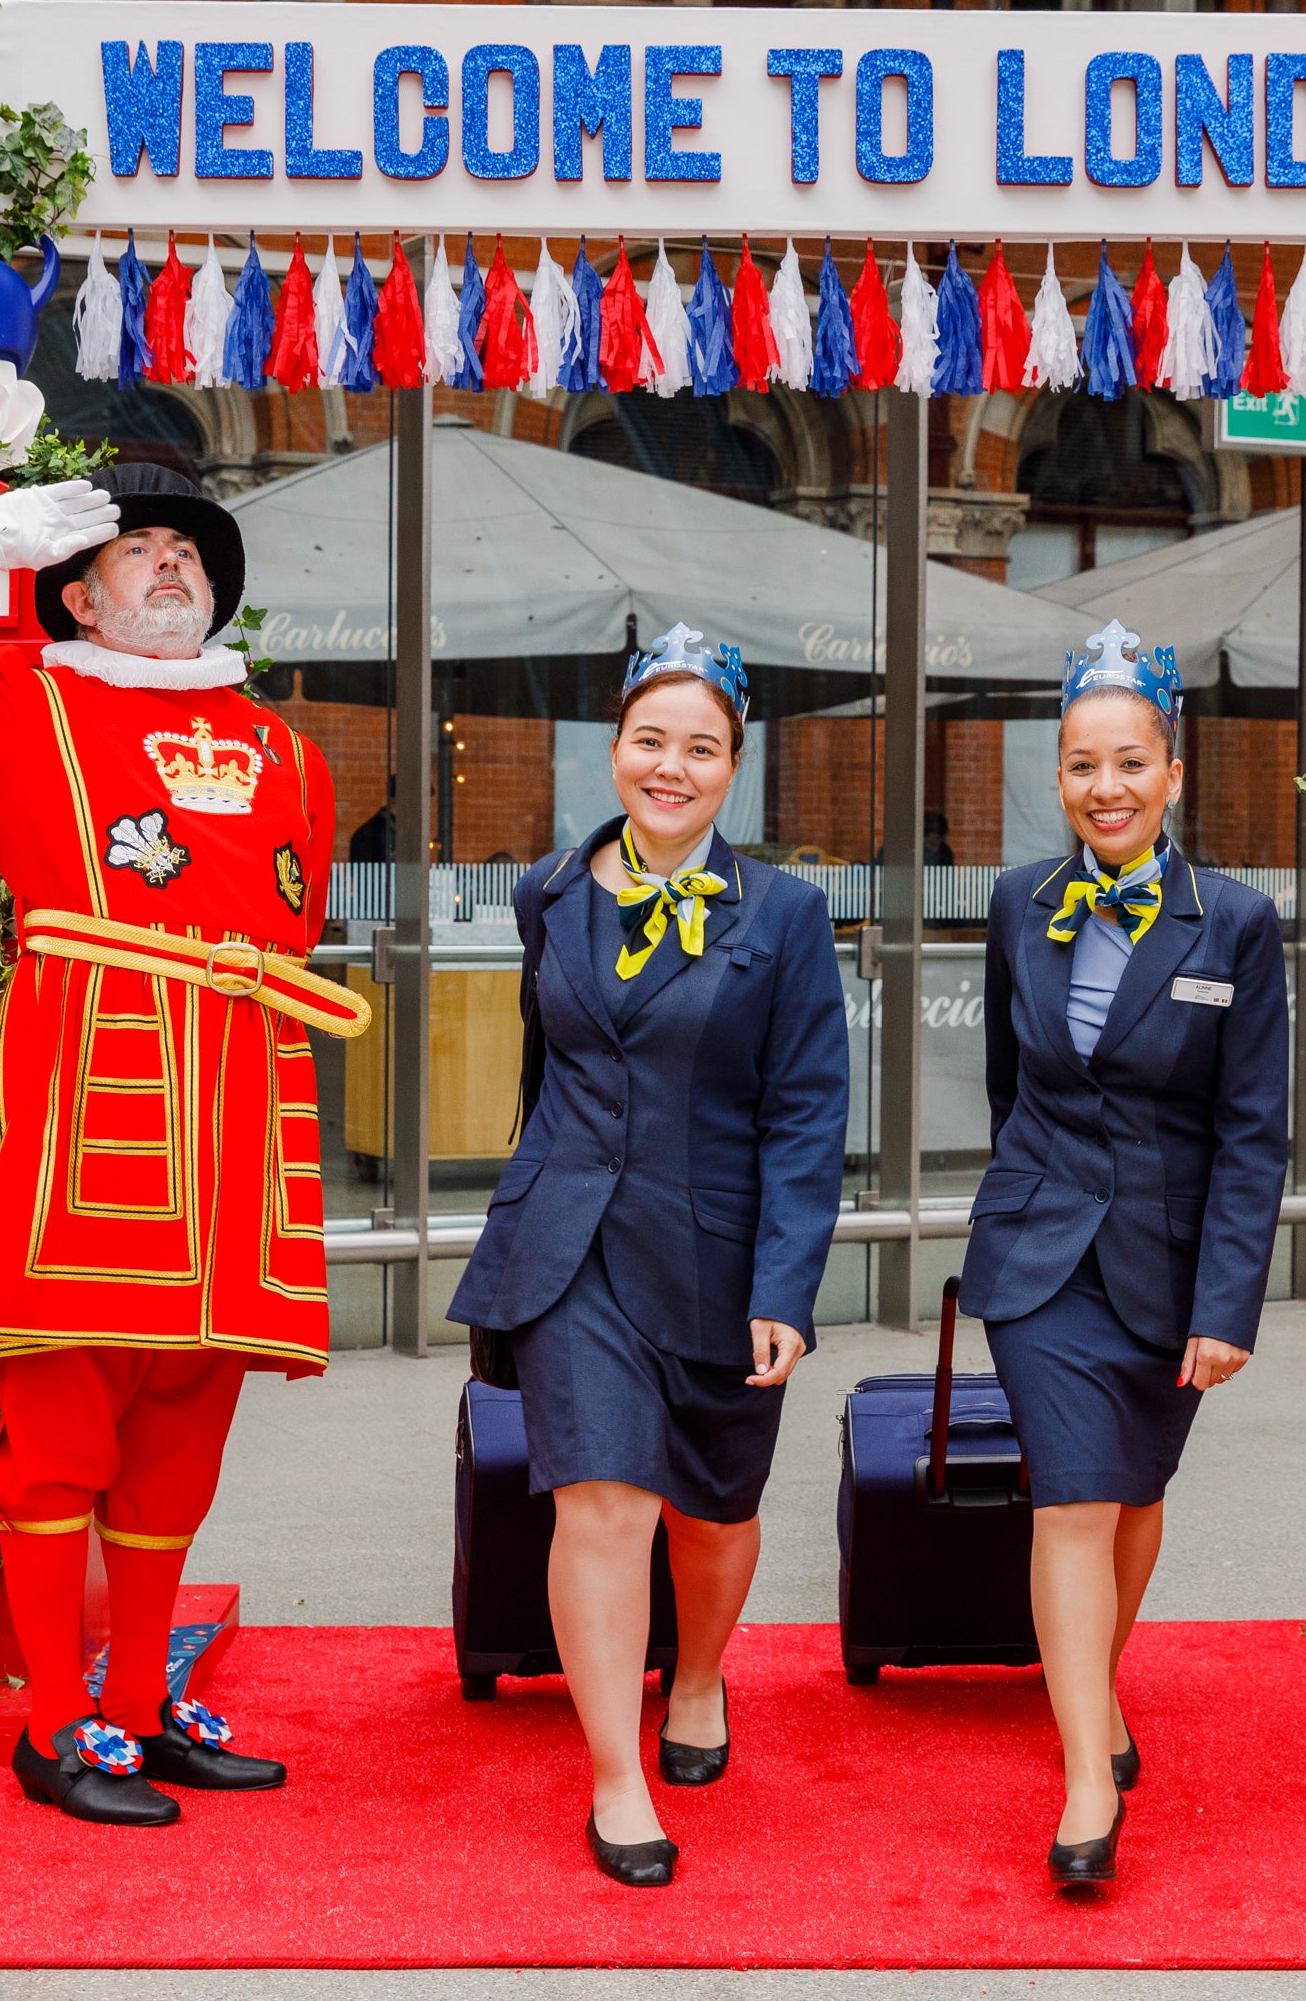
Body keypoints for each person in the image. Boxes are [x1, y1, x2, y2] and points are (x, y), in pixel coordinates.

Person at [0, 464, 369, 1828]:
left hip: (239, 1103)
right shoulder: (21, 701)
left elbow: (292, 923)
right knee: (58, 1435)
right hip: (92, 1097)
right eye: (140, 551)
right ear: (75, 589)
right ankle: (53, 1724)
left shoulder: (292, 752)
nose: (171, 564)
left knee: (182, 1435)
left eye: (189, 552)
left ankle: (136, 1706)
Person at [446, 626, 847, 1889]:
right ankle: (616, 1776)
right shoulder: (548, 891)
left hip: (719, 1256)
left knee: (715, 1512)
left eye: (700, 748)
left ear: (735, 766)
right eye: (648, 741)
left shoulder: (782, 913)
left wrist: (785, 1283)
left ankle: (703, 1674)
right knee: (601, 1501)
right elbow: (549, 1065)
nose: (668, 768)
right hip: (570, 1248)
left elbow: (806, 1111)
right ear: (613, 748)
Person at [961, 618, 1290, 1884]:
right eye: (1080, 765)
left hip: (1167, 1269)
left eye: (1126, 763)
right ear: (1059, 778)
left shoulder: (1235, 924)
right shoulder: (1014, 903)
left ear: (1171, 774)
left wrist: (1228, 1305)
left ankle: (1091, 1689)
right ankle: (1086, 1776)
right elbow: (1010, 1087)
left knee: (1136, 1497)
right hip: (1039, 1261)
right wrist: (1024, 1197)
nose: (1103, 787)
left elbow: (1251, 1135)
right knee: (1073, 1497)